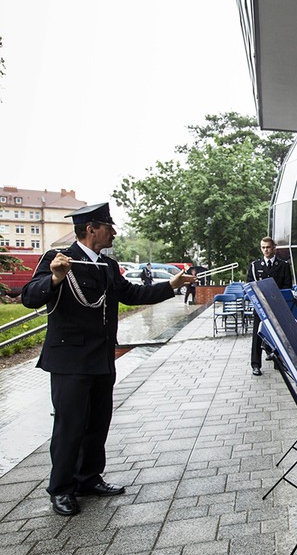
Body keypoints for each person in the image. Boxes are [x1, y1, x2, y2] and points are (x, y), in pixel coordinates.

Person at [21, 203, 194, 517]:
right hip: (70, 360)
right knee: (69, 426)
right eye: (109, 226)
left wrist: (171, 286)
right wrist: (56, 279)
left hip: (101, 358)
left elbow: (132, 294)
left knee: (98, 423)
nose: (113, 232)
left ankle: (88, 478)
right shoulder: (57, 260)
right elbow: (30, 297)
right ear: (91, 229)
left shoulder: (108, 266)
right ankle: (61, 489)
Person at [247, 236, 293, 376]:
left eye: (268, 247)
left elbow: (287, 285)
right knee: (257, 336)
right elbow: (249, 284)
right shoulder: (255, 266)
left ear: (274, 248)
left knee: (279, 335)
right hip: (260, 307)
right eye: (263, 247)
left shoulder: (283, 265)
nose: (266, 250)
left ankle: (278, 362)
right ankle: (256, 365)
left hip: (276, 306)